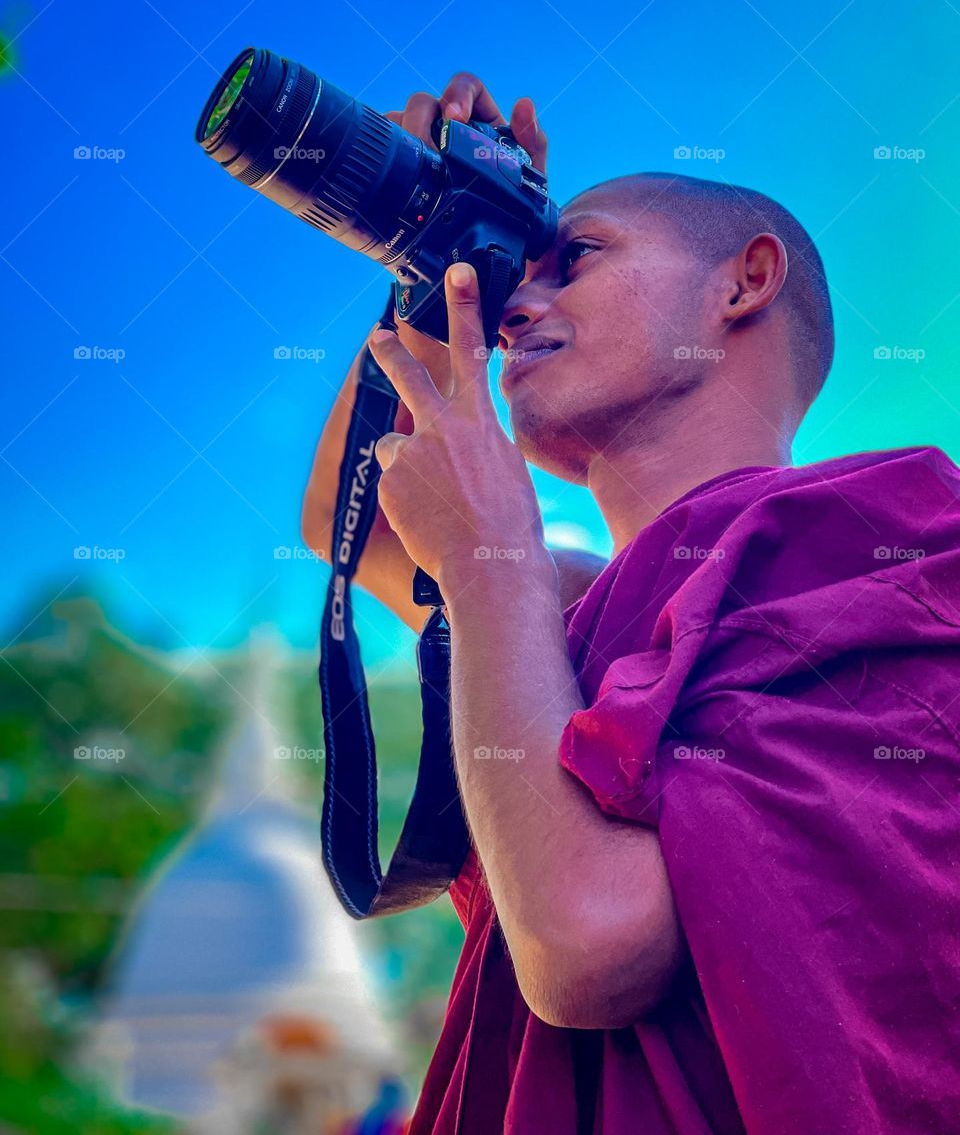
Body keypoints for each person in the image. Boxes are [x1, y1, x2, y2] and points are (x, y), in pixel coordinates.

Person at [302, 74, 960, 1134]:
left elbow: (590, 945)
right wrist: (438, 250)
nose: (517, 303)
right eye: (520, 274)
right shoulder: (557, 607)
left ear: (743, 284)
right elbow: (354, 518)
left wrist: (487, 564)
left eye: (580, 258)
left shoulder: (884, 552)